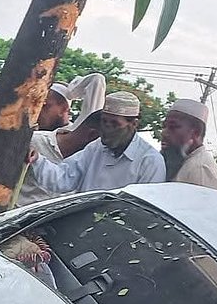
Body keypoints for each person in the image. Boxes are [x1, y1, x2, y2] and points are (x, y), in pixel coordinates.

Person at [27, 90, 166, 196]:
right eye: (104, 122)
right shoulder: (96, 148)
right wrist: (37, 159)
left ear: (133, 124)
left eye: (114, 124)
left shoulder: (150, 162)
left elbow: (144, 210)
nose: (107, 128)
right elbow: (63, 179)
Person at [19, 75, 107, 206]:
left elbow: (96, 80)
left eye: (45, 106)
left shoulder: (85, 136)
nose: (38, 112)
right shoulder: (34, 140)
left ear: (65, 109)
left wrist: (71, 92)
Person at [161, 99, 217, 190]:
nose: (164, 133)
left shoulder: (200, 169)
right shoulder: (183, 161)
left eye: (173, 127)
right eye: (164, 126)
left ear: (196, 133)